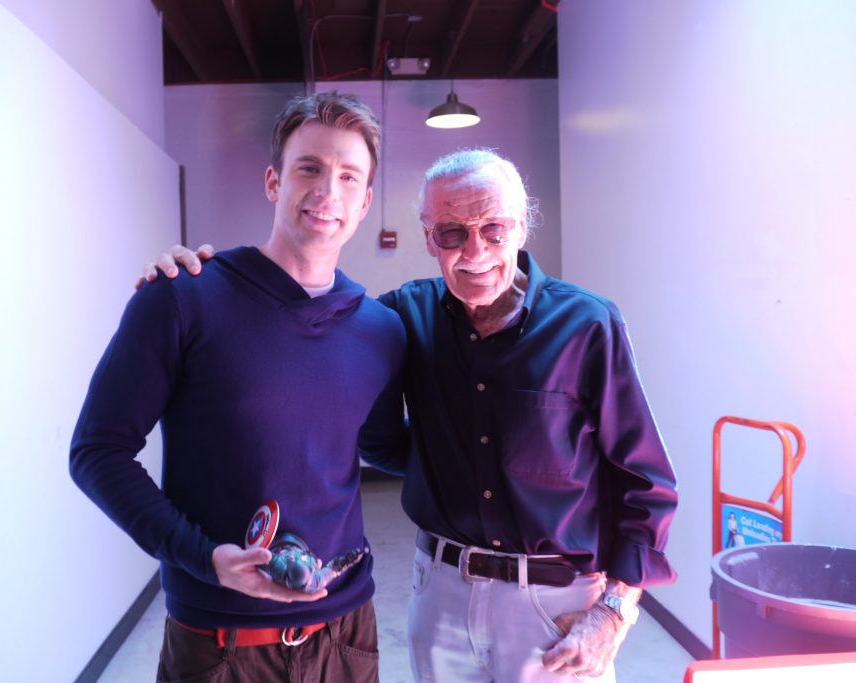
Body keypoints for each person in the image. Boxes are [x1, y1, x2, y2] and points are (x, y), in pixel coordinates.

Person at [143, 148, 679, 682]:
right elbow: (310, 320)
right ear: (428, 237)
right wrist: (204, 280)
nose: (475, 251)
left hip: (556, 604)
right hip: (441, 595)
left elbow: (645, 482)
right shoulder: (403, 315)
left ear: (521, 226)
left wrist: (613, 611)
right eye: (451, 233)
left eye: (493, 229)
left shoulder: (587, 324)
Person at [71, 91, 407, 683]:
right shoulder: (182, 296)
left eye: (348, 176)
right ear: (274, 182)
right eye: (310, 168)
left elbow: (384, 446)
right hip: (220, 644)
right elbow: (97, 451)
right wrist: (204, 557)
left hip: (348, 638)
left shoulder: (380, 330)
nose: (328, 190)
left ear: (365, 203)